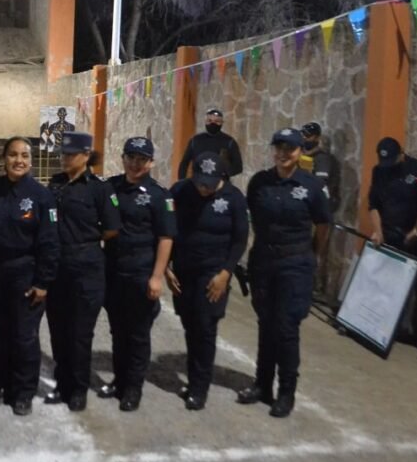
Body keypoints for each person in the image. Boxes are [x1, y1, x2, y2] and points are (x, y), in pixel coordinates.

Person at [239, 128, 330, 418]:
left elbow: (323, 224)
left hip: (295, 263)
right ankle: (262, 385)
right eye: (278, 147)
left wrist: (312, 254)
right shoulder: (260, 182)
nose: (282, 153)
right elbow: (253, 216)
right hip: (264, 262)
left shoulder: (312, 186)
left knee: (287, 328)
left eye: (289, 148)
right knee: (266, 323)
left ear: (300, 151)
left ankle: (286, 392)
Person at [0, 137, 60, 416]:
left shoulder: (41, 195)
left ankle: (24, 391)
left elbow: (50, 242)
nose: (19, 160)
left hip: (26, 273)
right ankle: (3, 384)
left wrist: (43, 282)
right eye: (13, 155)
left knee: (24, 336)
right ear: (4, 158)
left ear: (31, 160)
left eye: (24, 155)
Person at [166, 151, 249, 411]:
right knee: (191, 326)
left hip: (213, 274)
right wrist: (167, 267)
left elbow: (239, 240)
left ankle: (199, 389)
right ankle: (193, 381)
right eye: (199, 182)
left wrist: (225, 273)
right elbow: (167, 227)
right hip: (183, 271)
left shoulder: (234, 199)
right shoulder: (178, 191)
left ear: (221, 178)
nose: (203, 188)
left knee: (205, 328)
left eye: (209, 184)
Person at [99, 136, 176, 412]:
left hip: (142, 273)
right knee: (118, 331)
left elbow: (166, 238)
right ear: (123, 158)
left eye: (141, 159)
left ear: (151, 162)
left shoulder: (159, 195)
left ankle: (133, 388)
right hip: (113, 272)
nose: (135, 163)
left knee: (138, 334)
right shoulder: (110, 187)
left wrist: (157, 276)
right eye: (130, 157)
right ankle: (119, 381)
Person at [45, 132, 120, 411]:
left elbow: (112, 228)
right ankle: (62, 383)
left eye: (71, 154)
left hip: (86, 268)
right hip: (56, 268)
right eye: (63, 154)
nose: (65, 159)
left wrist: (84, 240)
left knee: (80, 333)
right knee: (58, 331)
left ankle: (78, 389)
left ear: (86, 155)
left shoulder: (100, 189)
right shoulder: (55, 184)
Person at [368, 137, 417, 252]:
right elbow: (374, 203)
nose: (388, 166)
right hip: (387, 233)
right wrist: (378, 231)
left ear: (401, 154)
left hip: (413, 236)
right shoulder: (378, 171)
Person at [177, 108, 244, 179]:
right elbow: (184, 163)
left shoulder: (229, 142)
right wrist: (182, 181)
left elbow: (238, 167)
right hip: (197, 183)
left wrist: (225, 172)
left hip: (220, 185)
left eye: (217, 121)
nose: (213, 123)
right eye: (210, 121)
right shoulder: (195, 140)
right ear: (205, 122)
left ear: (222, 123)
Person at [300, 122, 342, 215]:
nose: (305, 138)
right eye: (303, 135)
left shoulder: (322, 158)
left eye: (308, 136)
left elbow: (320, 183)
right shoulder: (303, 156)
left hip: (320, 205)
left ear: (317, 138)